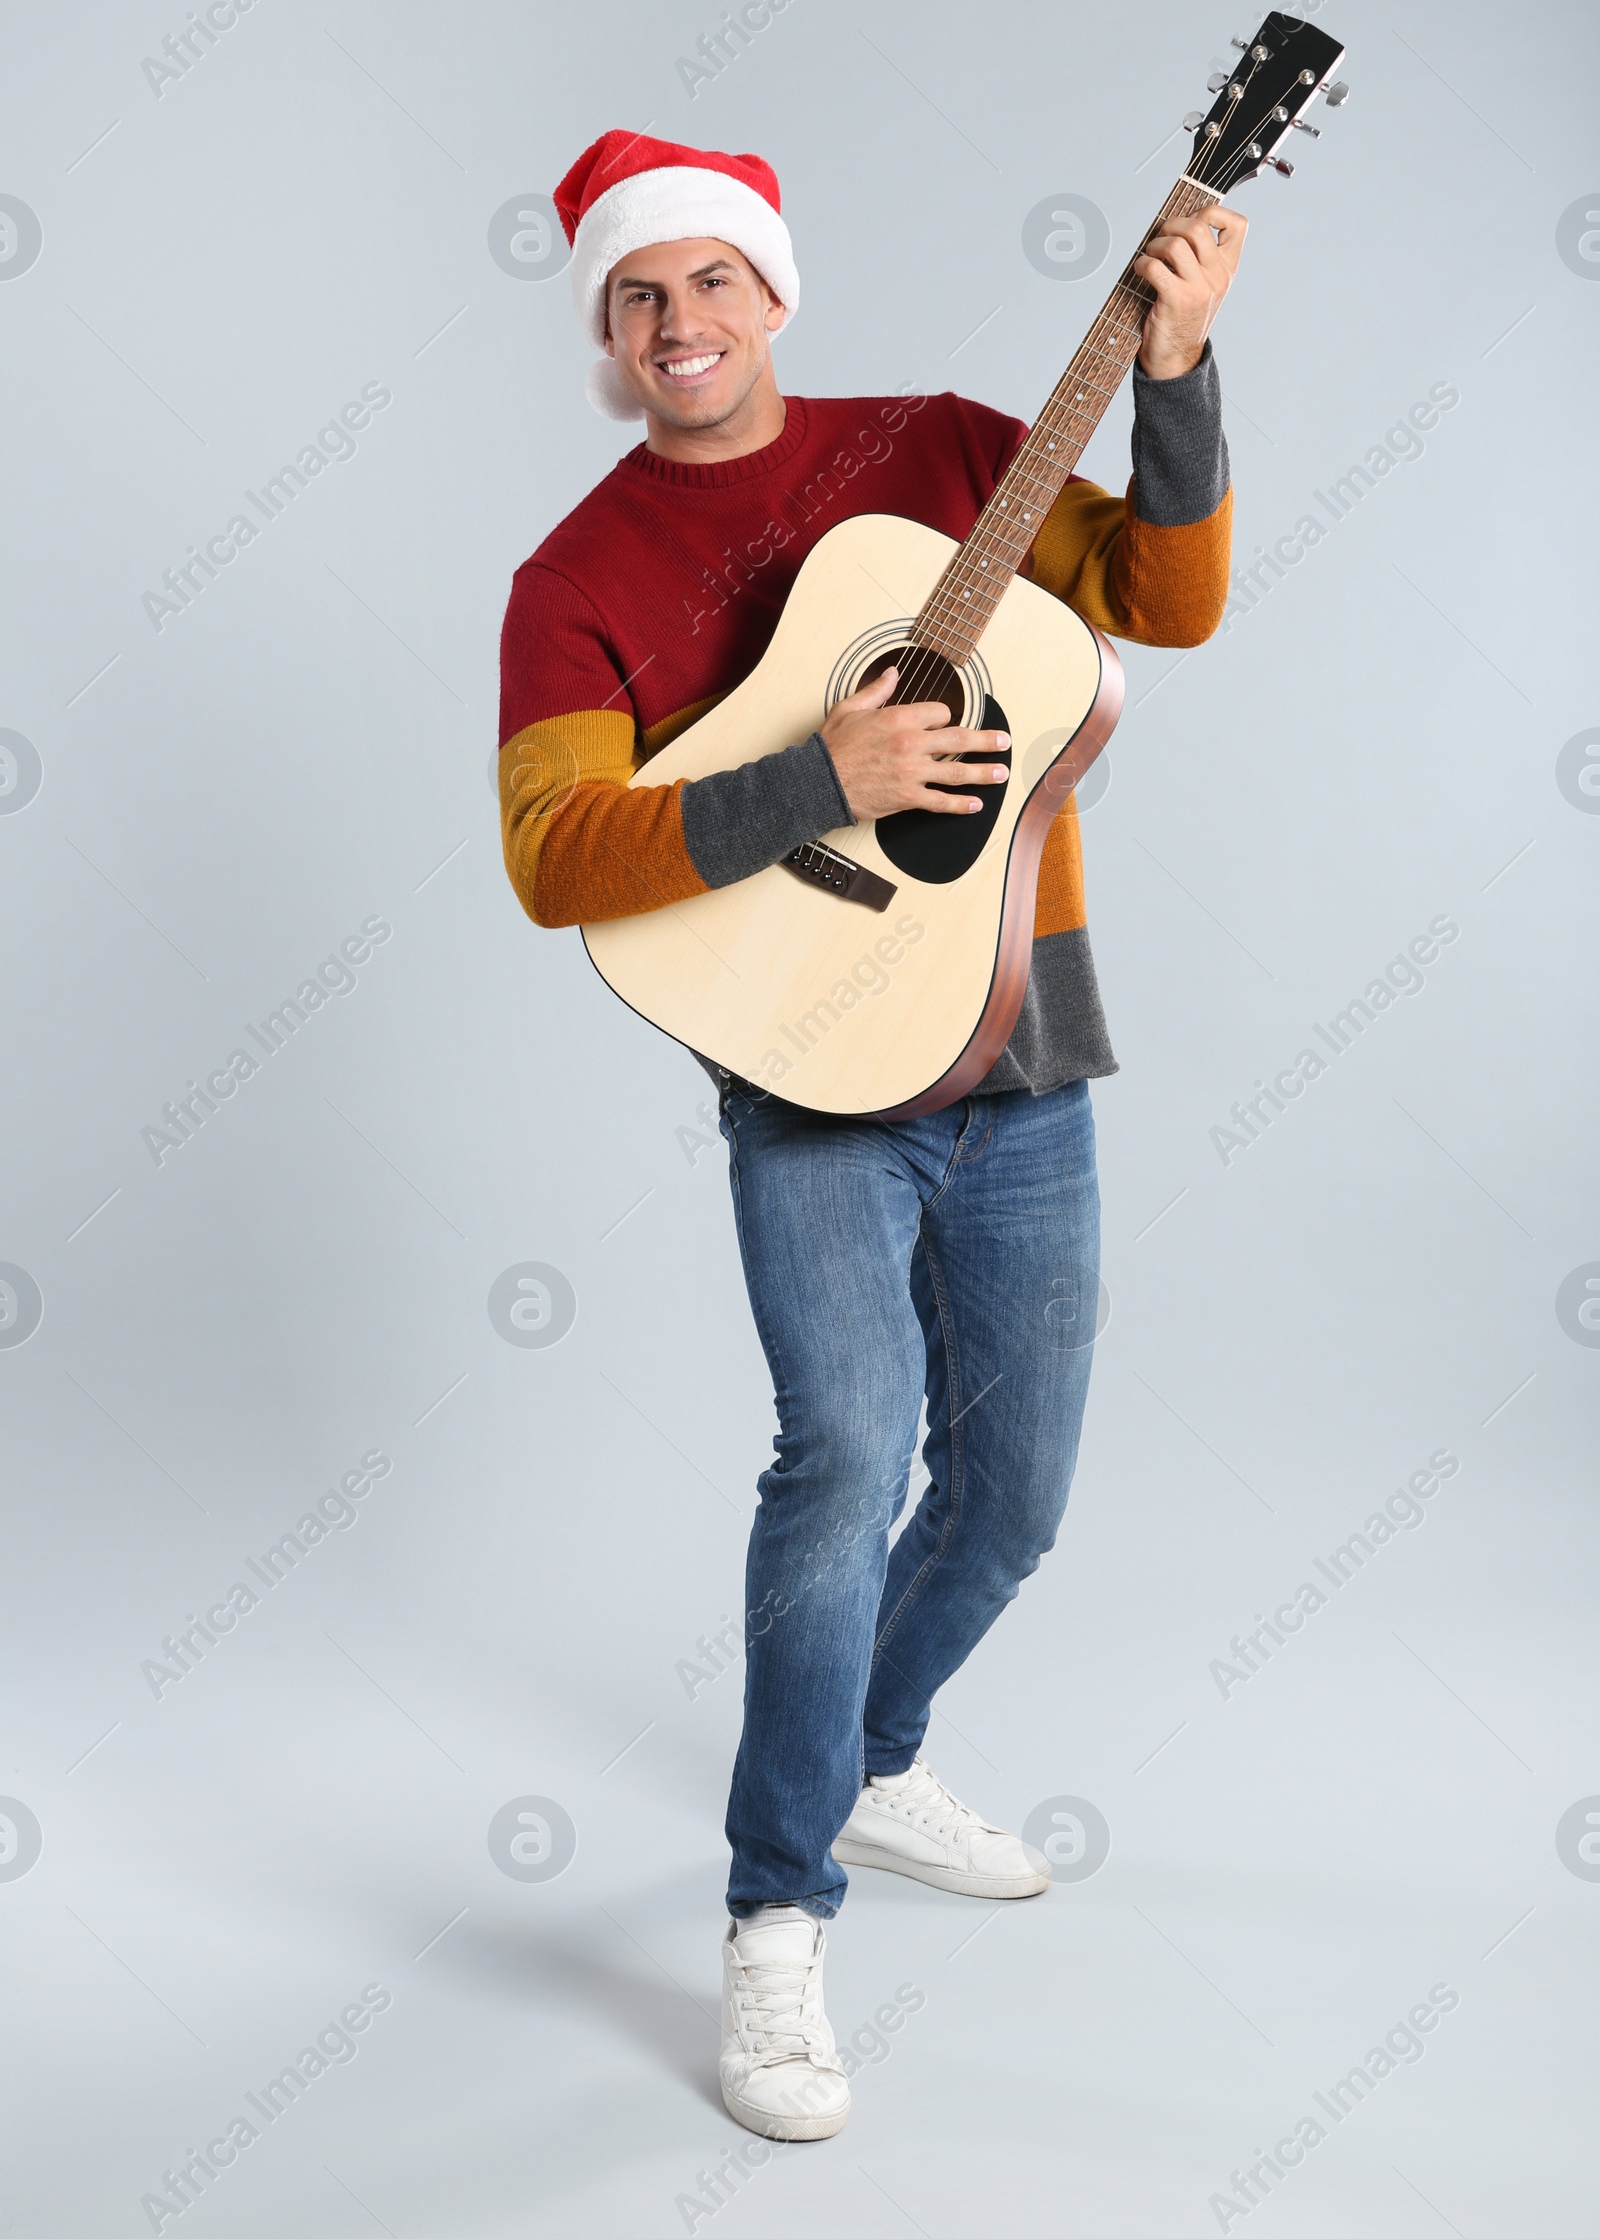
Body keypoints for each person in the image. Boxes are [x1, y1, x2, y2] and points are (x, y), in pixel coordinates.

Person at [498, 129, 1242, 2142]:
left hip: (1025, 1042)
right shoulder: (574, 581)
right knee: (840, 1458)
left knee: (1008, 1491)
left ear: (772, 293)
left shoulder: (937, 454)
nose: (678, 324)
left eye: (709, 283)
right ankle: (771, 1913)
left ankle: (873, 1752)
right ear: (606, 330)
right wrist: (813, 777)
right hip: (807, 1067)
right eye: (636, 297)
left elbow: (1163, 605)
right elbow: (554, 857)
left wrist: (1173, 372)